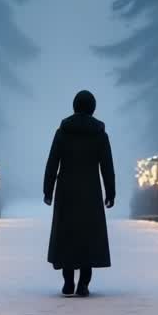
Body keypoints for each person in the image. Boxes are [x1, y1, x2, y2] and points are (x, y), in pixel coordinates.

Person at [44, 89, 115, 297]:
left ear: (74, 106)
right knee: (88, 236)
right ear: (93, 108)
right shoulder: (100, 134)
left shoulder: (63, 132)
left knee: (67, 234)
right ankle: (83, 284)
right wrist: (110, 193)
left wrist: (48, 191)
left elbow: (52, 163)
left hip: (66, 190)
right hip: (90, 190)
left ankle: (68, 282)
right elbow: (107, 166)